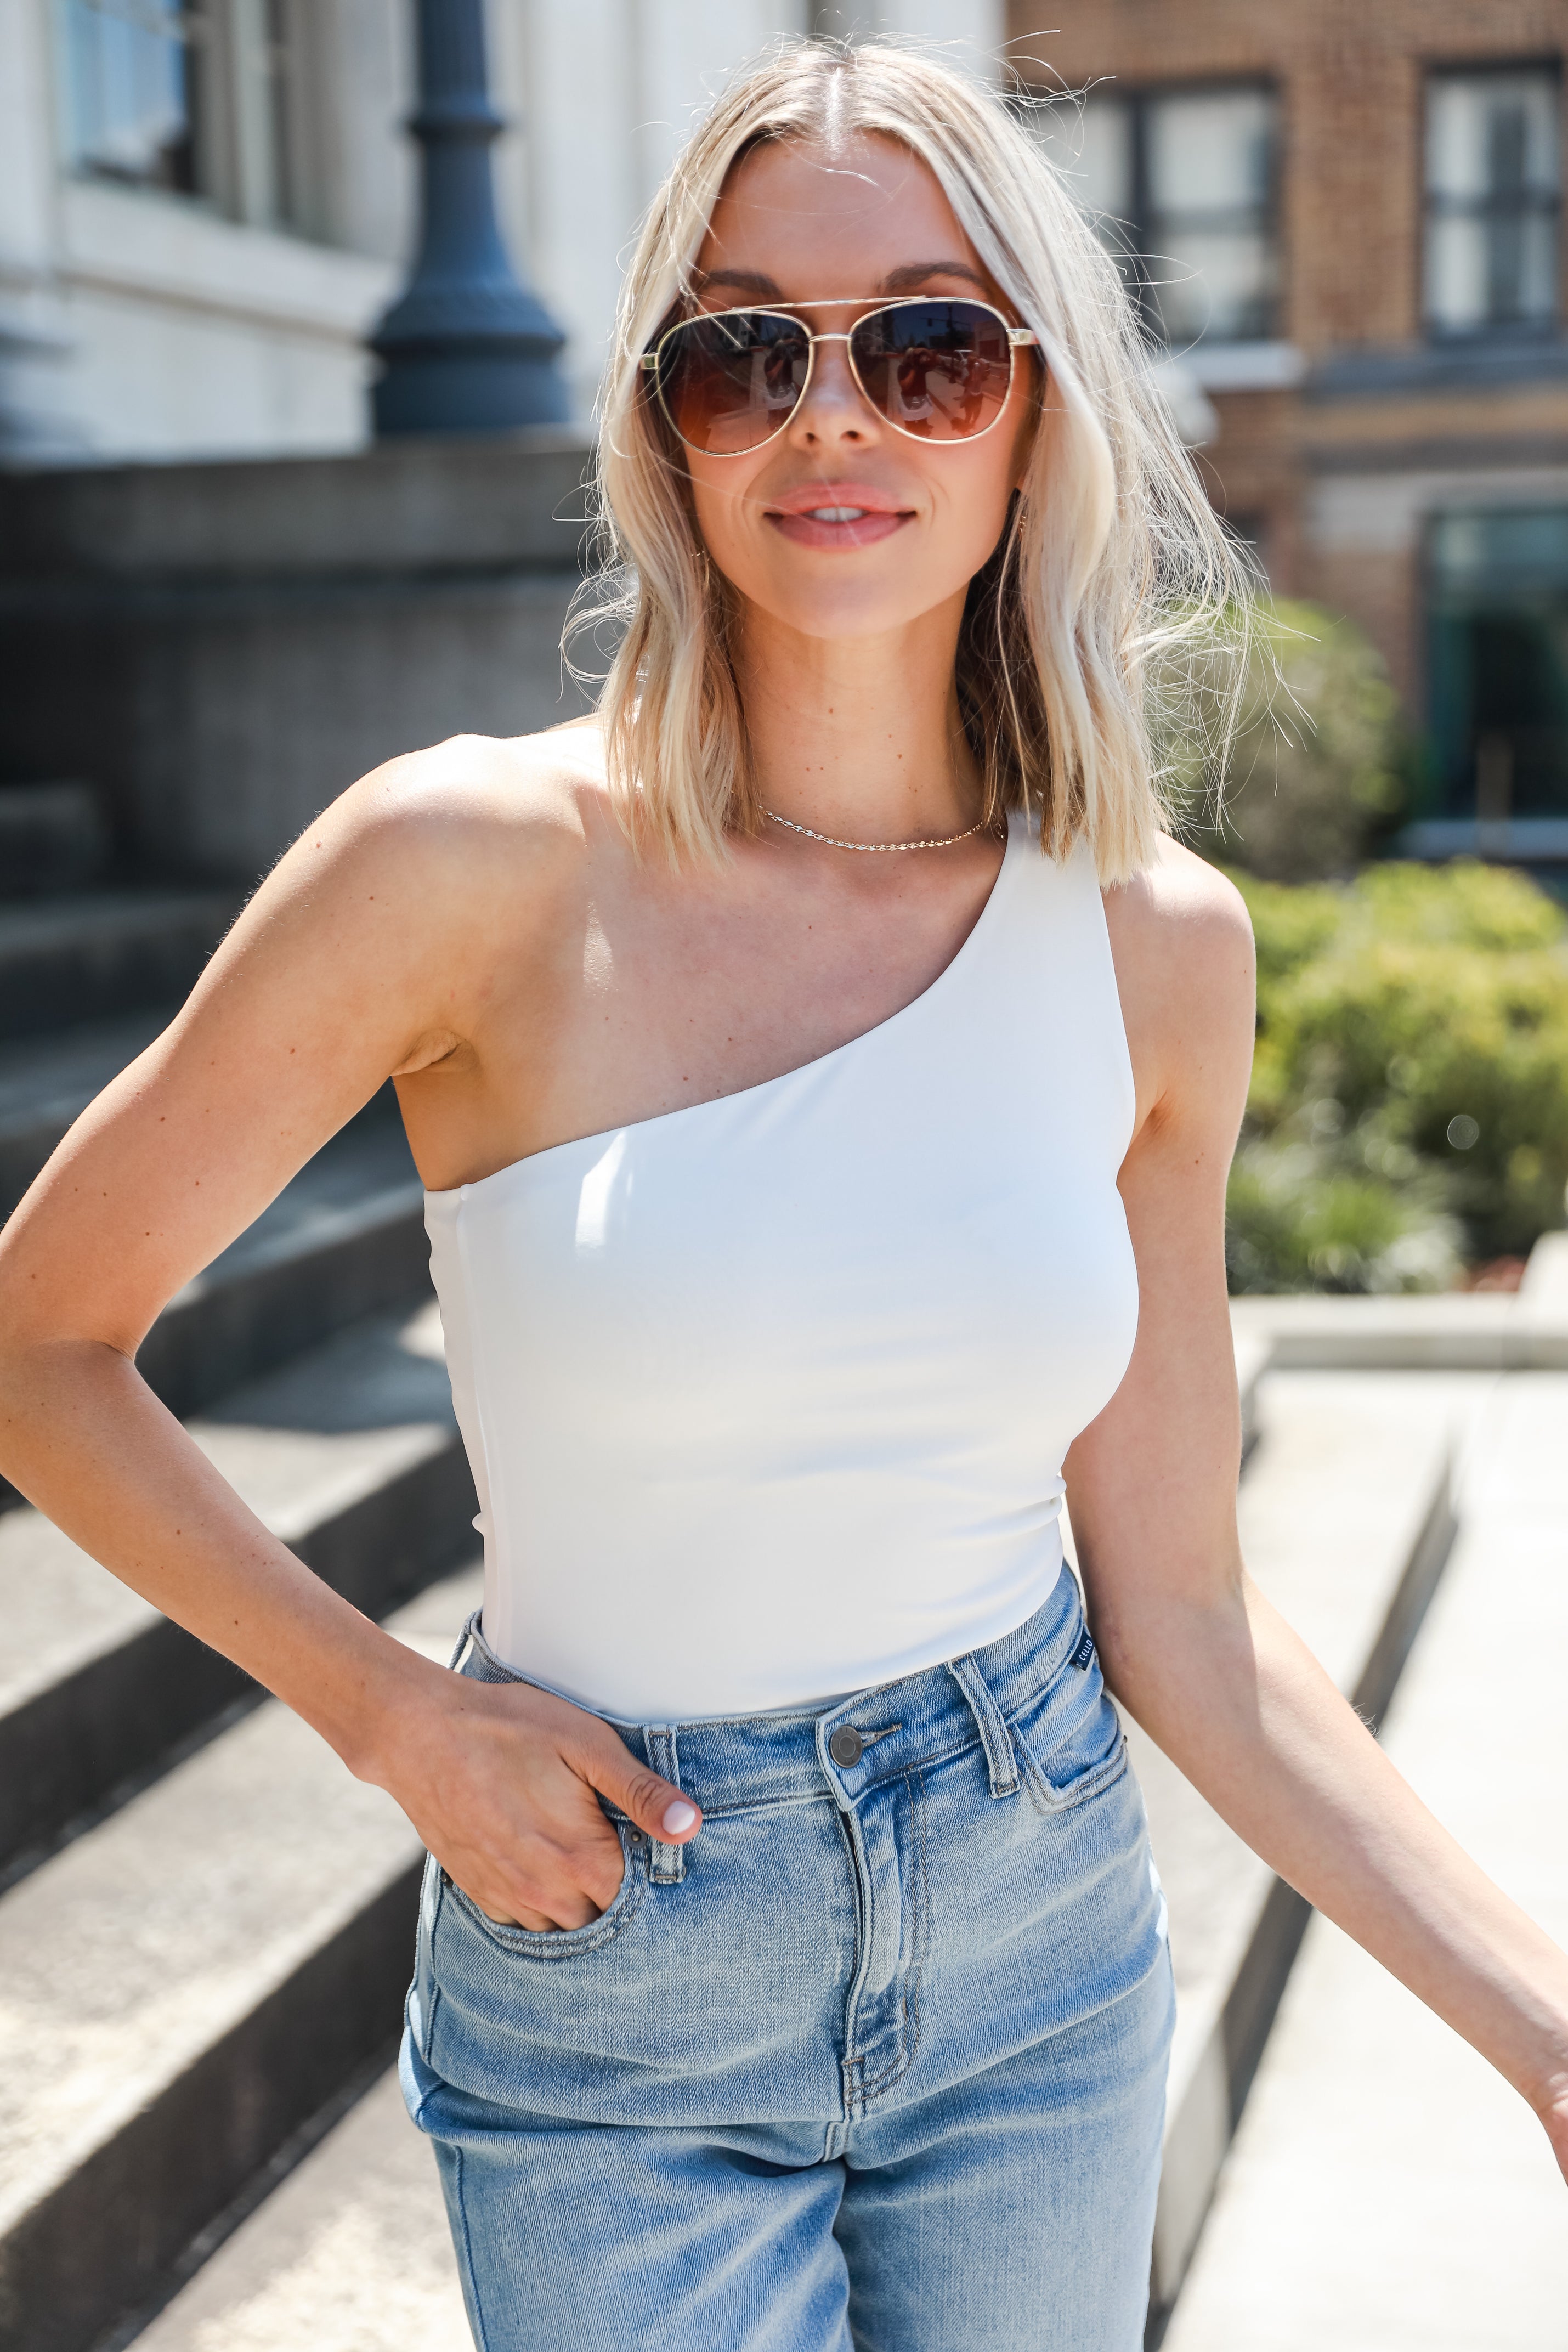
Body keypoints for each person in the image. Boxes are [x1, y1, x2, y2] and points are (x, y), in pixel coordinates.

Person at [0, 40, 1563, 2352]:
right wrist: (387, 1717)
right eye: (747, 354)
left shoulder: (1156, 947)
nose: (834, 419)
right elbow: (40, 1341)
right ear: (664, 426)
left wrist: (1540, 2026)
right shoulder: (466, 865)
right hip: (620, 1971)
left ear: (1032, 407)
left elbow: (1194, 1631)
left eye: (926, 347)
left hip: (1037, 1932)